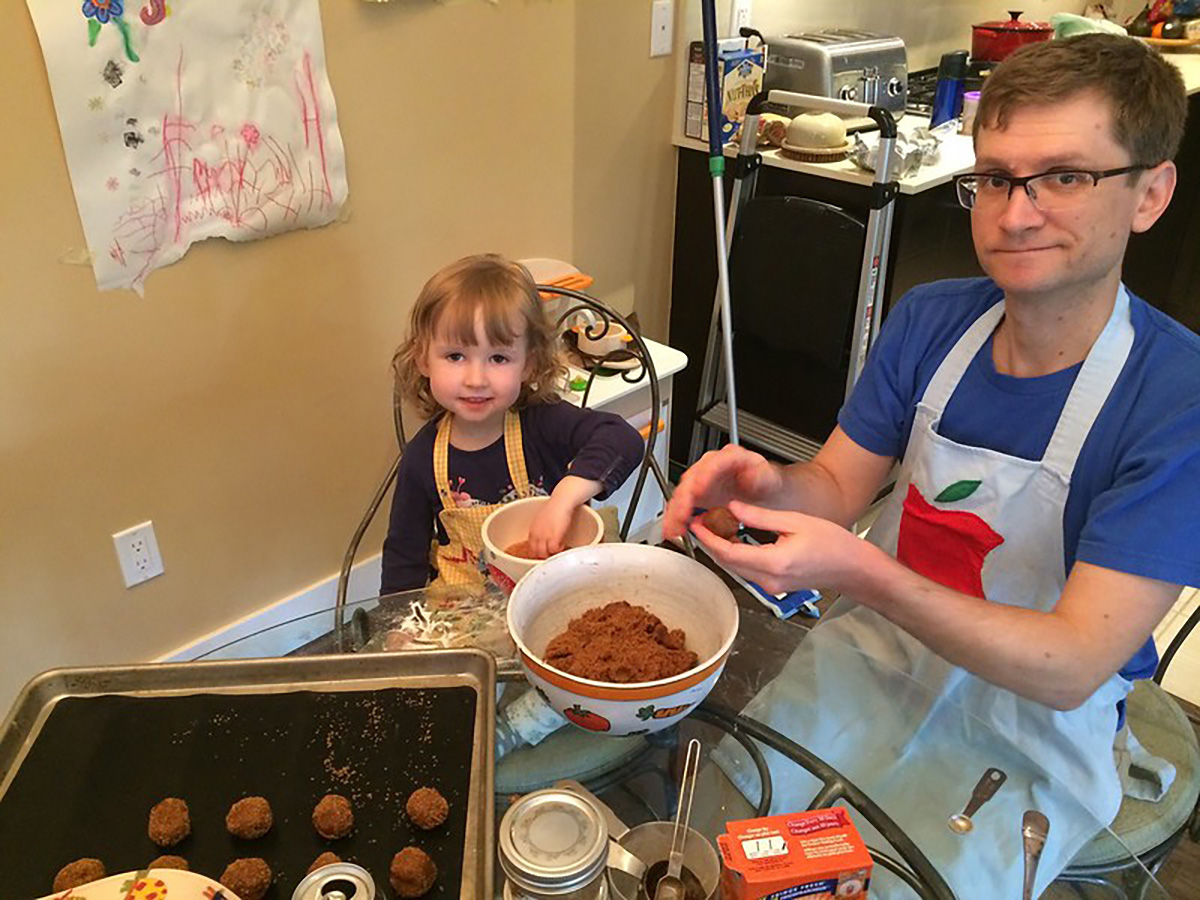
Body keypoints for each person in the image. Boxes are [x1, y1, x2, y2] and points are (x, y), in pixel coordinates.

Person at [666, 35, 1200, 895]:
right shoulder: (930, 322)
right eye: (994, 177)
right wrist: (766, 485)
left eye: (1063, 176)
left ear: (1151, 192)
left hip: (1035, 727)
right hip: (871, 656)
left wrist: (867, 574)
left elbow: (1068, 665)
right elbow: (837, 486)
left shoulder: (1178, 403)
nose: (1015, 213)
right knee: (728, 845)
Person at [382, 252, 644, 595]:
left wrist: (563, 499)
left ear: (529, 365)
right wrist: (397, 630)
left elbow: (623, 438)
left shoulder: (543, 422)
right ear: (423, 360)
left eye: (499, 358)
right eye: (455, 356)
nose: (476, 379)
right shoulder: (421, 458)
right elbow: (404, 558)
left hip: (554, 589)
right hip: (467, 607)